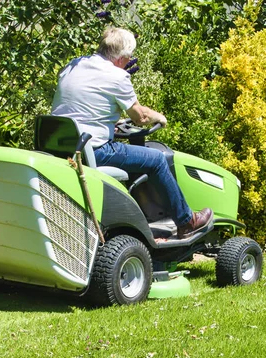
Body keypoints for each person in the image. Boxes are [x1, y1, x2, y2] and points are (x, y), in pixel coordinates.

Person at [51, 27, 213, 239]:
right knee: (156, 160)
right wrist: (160, 117)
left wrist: (112, 122)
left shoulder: (74, 65)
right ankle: (186, 222)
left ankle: (144, 221)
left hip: (61, 146)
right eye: (128, 59)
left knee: (140, 158)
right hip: (95, 150)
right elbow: (141, 117)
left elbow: (85, 108)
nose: (128, 62)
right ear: (122, 58)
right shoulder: (116, 76)